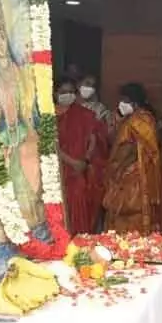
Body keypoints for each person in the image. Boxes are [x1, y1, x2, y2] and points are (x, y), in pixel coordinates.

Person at [104, 83, 161, 234]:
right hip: (138, 172)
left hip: (132, 173)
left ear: (134, 102)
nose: (121, 103)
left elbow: (129, 149)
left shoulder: (136, 121)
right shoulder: (141, 119)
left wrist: (117, 168)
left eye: (124, 100)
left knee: (126, 210)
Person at [56, 77, 108, 235]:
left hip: (79, 170)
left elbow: (92, 138)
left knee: (80, 206)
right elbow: (51, 145)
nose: (68, 95)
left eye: (71, 92)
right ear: (55, 93)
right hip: (59, 169)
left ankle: (80, 243)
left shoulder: (83, 114)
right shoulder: (48, 117)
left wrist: (85, 159)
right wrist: (72, 162)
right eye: (63, 92)